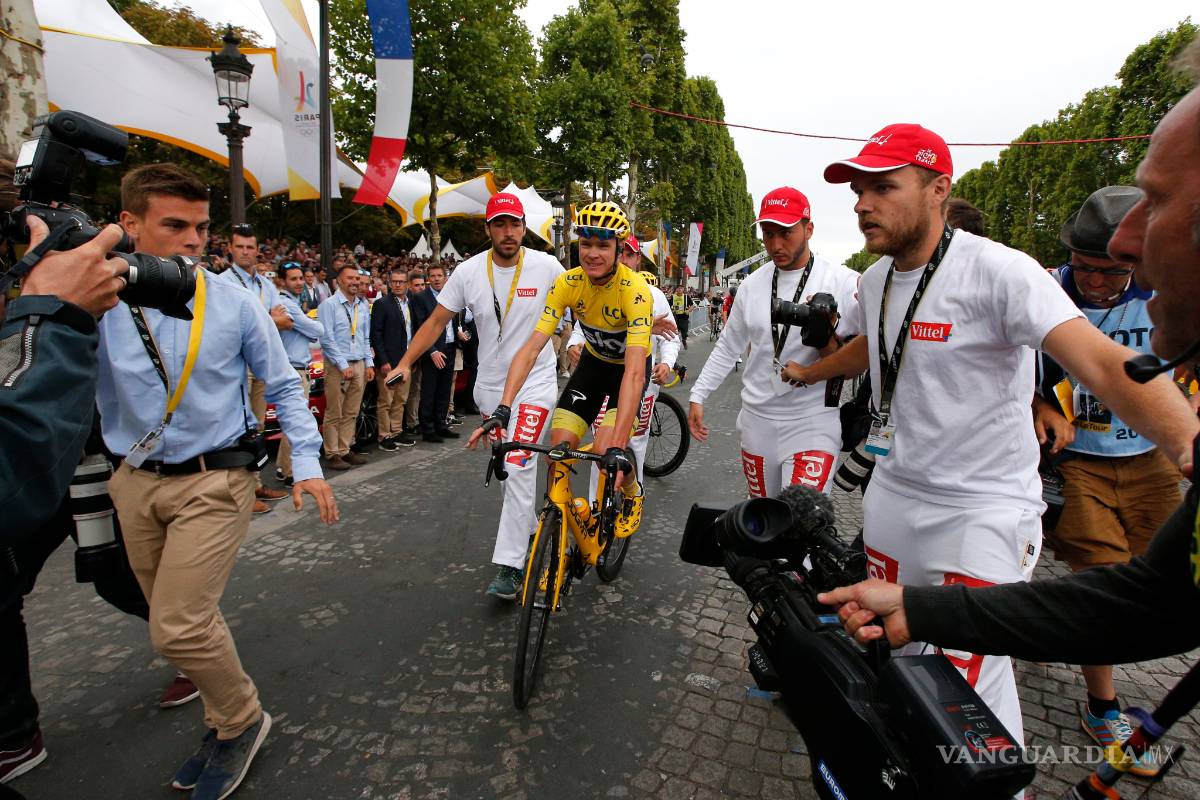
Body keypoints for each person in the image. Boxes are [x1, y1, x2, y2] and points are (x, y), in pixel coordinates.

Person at [783, 123, 1197, 755]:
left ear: (938, 189)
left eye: (883, 187)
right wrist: (813, 370)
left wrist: (1189, 445)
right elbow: (875, 345)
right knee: (899, 663)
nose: (863, 203)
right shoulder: (875, 280)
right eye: (858, 190)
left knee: (965, 688)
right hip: (893, 501)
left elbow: (1104, 363)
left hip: (983, 513)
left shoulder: (1003, 271)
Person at [95, 163, 338, 800]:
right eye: (175, 225)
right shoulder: (98, 300)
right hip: (134, 481)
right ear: (129, 224)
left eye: (202, 228)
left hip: (216, 480)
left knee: (177, 625)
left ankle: (241, 720)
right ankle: (222, 715)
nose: (193, 241)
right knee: (178, 620)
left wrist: (308, 465)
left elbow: (285, 384)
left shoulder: (232, 302)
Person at [1028, 185, 1179, 773]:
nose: (1093, 281)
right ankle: (1103, 705)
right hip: (1077, 464)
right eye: (1084, 266)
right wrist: (1040, 404)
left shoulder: (1168, 291)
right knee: (1104, 582)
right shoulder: (1042, 288)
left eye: (1110, 271)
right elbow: (1006, 366)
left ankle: (1043, 621)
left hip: (1153, 461)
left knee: (1166, 575)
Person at [0, 219, 133, 786]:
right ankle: (15, 732)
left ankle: (191, 641)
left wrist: (46, 315)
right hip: (34, 467)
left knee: (114, 575)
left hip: (77, 463)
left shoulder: (95, 294)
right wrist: (48, 314)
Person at [387, 193, 565, 597]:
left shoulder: (547, 266)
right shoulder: (468, 272)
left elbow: (586, 299)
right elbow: (436, 322)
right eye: (500, 224)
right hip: (490, 389)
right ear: (488, 229)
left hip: (535, 383)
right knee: (506, 470)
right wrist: (405, 362)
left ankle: (510, 565)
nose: (508, 232)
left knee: (517, 465)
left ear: (525, 228)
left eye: (515, 224)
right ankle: (530, 532)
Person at [467, 201, 653, 541]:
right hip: (593, 367)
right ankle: (558, 530)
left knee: (605, 453)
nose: (592, 253)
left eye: (602, 245)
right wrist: (504, 407)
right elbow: (531, 347)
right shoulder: (568, 283)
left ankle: (632, 491)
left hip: (627, 372)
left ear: (619, 249)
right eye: (586, 244)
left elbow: (635, 374)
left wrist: (617, 445)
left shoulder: (635, 291)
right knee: (558, 453)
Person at [689, 187, 860, 497]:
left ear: (809, 229)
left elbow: (877, 341)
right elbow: (728, 346)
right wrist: (698, 394)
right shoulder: (751, 286)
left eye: (786, 233)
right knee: (765, 520)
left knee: (803, 519)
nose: (776, 244)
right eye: (768, 234)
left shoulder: (844, 282)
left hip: (814, 423)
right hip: (758, 423)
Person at [217, 223, 290, 512]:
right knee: (237, 428)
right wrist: (267, 319)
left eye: (250, 247)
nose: (245, 252)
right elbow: (228, 325)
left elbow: (284, 319)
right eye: (240, 247)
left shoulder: (266, 285)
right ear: (230, 249)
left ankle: (256, 484)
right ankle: (240, 494)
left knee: (257, 426)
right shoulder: (222, 283)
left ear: (258, 250)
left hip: (260, 361)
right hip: (235, 364)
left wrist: (264, 321)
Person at [317, 262, 374, 469]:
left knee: (352, 411)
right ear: (339, 281)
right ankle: (332, 453)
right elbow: (327, 339)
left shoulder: (362, 305)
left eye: (357, 279)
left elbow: (365, 338)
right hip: (337, 366)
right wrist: (342, 365)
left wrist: (369, 363)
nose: (355, 282)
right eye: (350, 278)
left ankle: (345, 448)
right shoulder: (329, 305)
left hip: (359, 364)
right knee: (335, 411)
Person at [275, 262, 327, 486]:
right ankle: (289, 472)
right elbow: (318, 330)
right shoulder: (287, 304)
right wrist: (308, 326)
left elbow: (312, 332)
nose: (299, 283)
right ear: (282, 281)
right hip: (293, 369)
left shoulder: (293, 303)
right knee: (295, 422)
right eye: (293, 279)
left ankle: (282, 467)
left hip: (296, 368)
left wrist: (305, 327)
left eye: (300, 278)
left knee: (293, 421)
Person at [409, 264, 460, 443]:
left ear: (445, 278)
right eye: (433, 276)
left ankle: (441, 424)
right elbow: (420, 326)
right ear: (428, 278)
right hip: (432, 350)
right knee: (429, 390)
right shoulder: (421, 298)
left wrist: (458, 334)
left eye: (439, 275)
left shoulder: (450, 295)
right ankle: (428, 429)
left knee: (445, 389)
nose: (437, 279)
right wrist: (432, 350)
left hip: (450, 346)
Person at [370, 269, 416, 451]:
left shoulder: (411, 303)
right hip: (389, 362)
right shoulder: (382, 304)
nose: (398, 285)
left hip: (406, 360)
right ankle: (384, 435)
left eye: (401, 281)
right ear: (389, 283)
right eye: (394, 281)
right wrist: (383, 361)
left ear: (407, 284)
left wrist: (412, 359)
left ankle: (397, 431)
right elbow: (376, 334)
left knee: (400, 399)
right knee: (386, 401)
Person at [403, 270, 426, 434]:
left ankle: (416, 419)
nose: (420, 288)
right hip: (408, 353)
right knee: (411, 390)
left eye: (422, 285)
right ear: (410, 286)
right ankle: (411, 422)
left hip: (422, 352)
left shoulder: (425, 301)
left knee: (418, 389)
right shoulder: (407, 304)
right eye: (417, 285)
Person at [670, 284, 693, 349]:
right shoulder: (673, 297)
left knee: (684, 333)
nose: (680, 289)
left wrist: (688, 310)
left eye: (681, 288)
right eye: (678, 288)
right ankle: (675, 345)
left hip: (684, 317)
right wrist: (671, 310)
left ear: (683, 289)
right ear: (676, 289)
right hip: (675, 317)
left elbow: (692, 305)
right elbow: (668, 306)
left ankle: (684, 340)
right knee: (675, 332)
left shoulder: (686, 297)